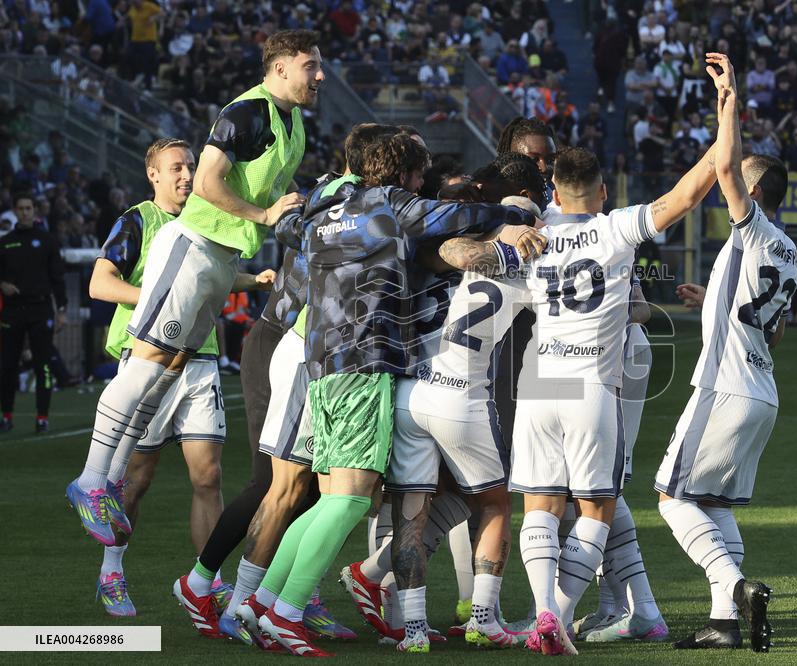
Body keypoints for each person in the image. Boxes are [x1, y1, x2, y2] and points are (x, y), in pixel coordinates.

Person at [236, 132, 545, 657]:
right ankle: (284, 613)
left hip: (321, 363)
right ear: (403, 175)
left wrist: (281, 212)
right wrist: (509, 217)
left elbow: (289, 227)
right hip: (364, 361)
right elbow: (455, 217)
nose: (421, 185)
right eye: (418, 176)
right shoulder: (389, 206)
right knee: (350, 500)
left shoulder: (326, 210)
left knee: (331, 499)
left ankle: (259, 603)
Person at [67, 28, 322, 604]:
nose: (319, 76)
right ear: (281, 68)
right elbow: (207, 181)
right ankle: (91, 480)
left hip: (220, 258)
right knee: (144, 363)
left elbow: (270, 188)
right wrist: (264, 214)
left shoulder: (292, 123)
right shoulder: (247, 111)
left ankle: (111, 493)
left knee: (162, 370)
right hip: (194, 248)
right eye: (311, 65)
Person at [178, 125, 398, 645]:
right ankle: (215, 590)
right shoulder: (341, 201)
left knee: (315, 487)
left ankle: (287, 597)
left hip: (308, 344)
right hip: (289, 340)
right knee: (277, 484)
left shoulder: (337, 198)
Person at [513, 134, 719, 654]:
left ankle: (541, 609)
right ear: (603, 191)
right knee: (596, 508)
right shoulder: (616, 227)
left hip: (540, 380)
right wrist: (723, 135)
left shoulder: (534, 230)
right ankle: (558, 618)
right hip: (591, 384)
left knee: (541, 505)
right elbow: (686, 195)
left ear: (555, 191)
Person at [87, 138, 272, 619]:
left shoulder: (205, 218)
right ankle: (111, 572)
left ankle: (208, 583)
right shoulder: (137, 221)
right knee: (137, 478)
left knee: (208, 476)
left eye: (191, 166)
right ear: (153, 174)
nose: (187, 175)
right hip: (148, 359)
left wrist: (253, 281)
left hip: (200, 357)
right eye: (175, 168)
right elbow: (99, 283)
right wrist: (161, 298)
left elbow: (208, 281)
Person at [655, 53, 797, 653]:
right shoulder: (787, 249)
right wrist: (712, 299)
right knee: (712, 502)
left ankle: (735, 586)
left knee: (671, 498)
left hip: (726, 388)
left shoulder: (752, 225)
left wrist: (728, 101)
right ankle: (725, 623)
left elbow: (726, 166)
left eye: (736, 179)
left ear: (754, 190)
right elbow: (774, 329)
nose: (723, 183)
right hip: (762, 391)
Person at [0, 191, 66, 433]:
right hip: (13, 310)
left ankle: (42, 418)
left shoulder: (47, 241)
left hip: (40, 309)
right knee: (7, 366)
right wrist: (2, 284)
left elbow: (58, 278)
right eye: (21, 208)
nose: (25, 212)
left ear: (34, 210)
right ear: (15, 211)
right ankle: (6, 416)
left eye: (28, 208)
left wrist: (61, 310)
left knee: (43, 365)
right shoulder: (5, 242)